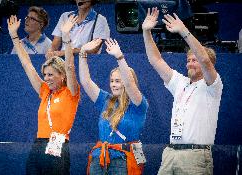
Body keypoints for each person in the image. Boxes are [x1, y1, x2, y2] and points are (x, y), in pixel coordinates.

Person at [142, 7, 223, 175]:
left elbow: (205, 60)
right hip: (171, 153)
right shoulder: (180, 82)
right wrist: (146, 32)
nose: (189, 63)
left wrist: (184, 32)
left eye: (194, 60)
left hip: (195, 156)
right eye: (188, 60)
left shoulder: (213, 85)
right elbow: (155, 60)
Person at [7, 14, 80, 174]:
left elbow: (69, 66)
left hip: (59, 147)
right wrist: (14, 36)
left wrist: (66, 37)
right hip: (38, 146)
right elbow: (27, 64)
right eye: (45, 74)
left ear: (61, 75)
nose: (46, 79)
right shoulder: (45, 91)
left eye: (51, 75)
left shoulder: (71, 92)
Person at [79, 38, 148, 174]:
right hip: (100, 158)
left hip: (123, 160)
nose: (113, 84)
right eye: (112, 81)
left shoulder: (138, 104)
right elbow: (86, 82)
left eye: (118, 81)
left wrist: (119, 57)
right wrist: (83, 53)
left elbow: (129, 85)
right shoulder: (106, 99)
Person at [46, 0, 110, 58]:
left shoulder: (100, 20)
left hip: (86, 61)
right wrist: (50, 51)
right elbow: (55, 43)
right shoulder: (65, 16)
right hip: (63, 60)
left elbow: (94, 50)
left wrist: (67, 52)